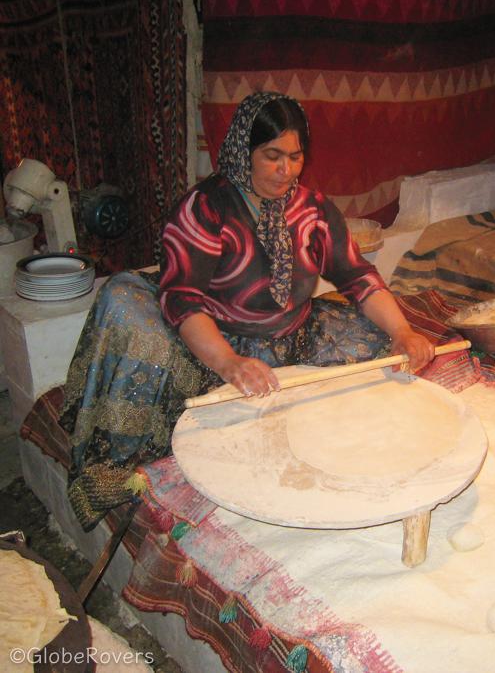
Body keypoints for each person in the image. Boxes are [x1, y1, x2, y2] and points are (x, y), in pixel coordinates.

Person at [60, 91, 434, 530]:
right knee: (126, 308)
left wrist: (403, 332)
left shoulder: (312, 211)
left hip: (289, 334)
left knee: (381, 355)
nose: (285, 170)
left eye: (295, 157)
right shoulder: (206, 208)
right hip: (214, 338)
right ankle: (122, 476)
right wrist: (230, 363)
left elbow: (357, 277)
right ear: (244, 150)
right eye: (272, 156)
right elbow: (183, 297)